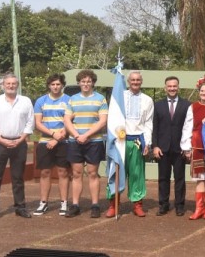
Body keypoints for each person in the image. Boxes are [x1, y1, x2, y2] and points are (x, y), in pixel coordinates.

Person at [0, 74, 34, 221]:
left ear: (17, 85)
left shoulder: (25, 101)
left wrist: (21, 139)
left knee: (18, 177)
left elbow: (30, 122)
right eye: (8, 83)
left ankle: (20, 207)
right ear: (3, 85)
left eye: (13, 83)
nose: (11, 86)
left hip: (19, 143)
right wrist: (1, 140)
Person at [106, 70, 154, 218]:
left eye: (138, 80)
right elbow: (113, 119)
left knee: (136, 174)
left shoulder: (147, 100)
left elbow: (148, 123)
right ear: (128, 82)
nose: (135, 82)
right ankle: (114, 204)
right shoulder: (120, 97)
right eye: (132, 80)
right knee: (116, 172)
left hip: (137, 141)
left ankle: (137, 204)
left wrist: (147, 143)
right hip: (120, 141)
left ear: (141, 82)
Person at [63, 69, 108, 218]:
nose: (86, 84)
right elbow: (67, 120)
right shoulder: (72, 99)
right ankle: (75, 205)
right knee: (76, 174)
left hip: (93, 142)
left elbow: (102, 121)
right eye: (83, 81)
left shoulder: (100, 99)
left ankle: (95, 205)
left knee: (92, 173)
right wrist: (77, 136)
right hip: (75, 141)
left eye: (89, 81)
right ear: (79, 83)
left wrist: (86, 135)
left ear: (93, 83)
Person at [32, 73, 71, 216]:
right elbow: (38, 123)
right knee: (45, 172)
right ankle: (43, 203)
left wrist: (58, 138)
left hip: (64, 141)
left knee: (63, 172)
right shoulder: (40, 101)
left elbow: (69, 123)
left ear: (62, 85)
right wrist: (52, 135)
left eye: (58, 84)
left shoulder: (69, 100)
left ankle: (64, 203)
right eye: (53, 84)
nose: (55, 87)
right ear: (49, 85)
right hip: (44, 142)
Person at [182, 76, 205, 221]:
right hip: (197, 144)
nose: (204, 93)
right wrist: (186, 146)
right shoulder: (193, 107)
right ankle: (199, 209)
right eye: (202, 91)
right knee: (199, 178)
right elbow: (187, 127)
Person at [152, 76, 191, 217]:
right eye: (170, 86)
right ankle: (163, 204)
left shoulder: (187, 105)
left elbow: (189, 127)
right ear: (165, 88)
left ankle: (180, 205)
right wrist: (155, 146)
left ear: (178, 87)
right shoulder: (158, 105)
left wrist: (187, 147)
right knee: (163, 178)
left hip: (180, 148)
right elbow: (154, 128)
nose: (172, 88)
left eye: (175, 86)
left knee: (180, 178)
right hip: (162, 148)